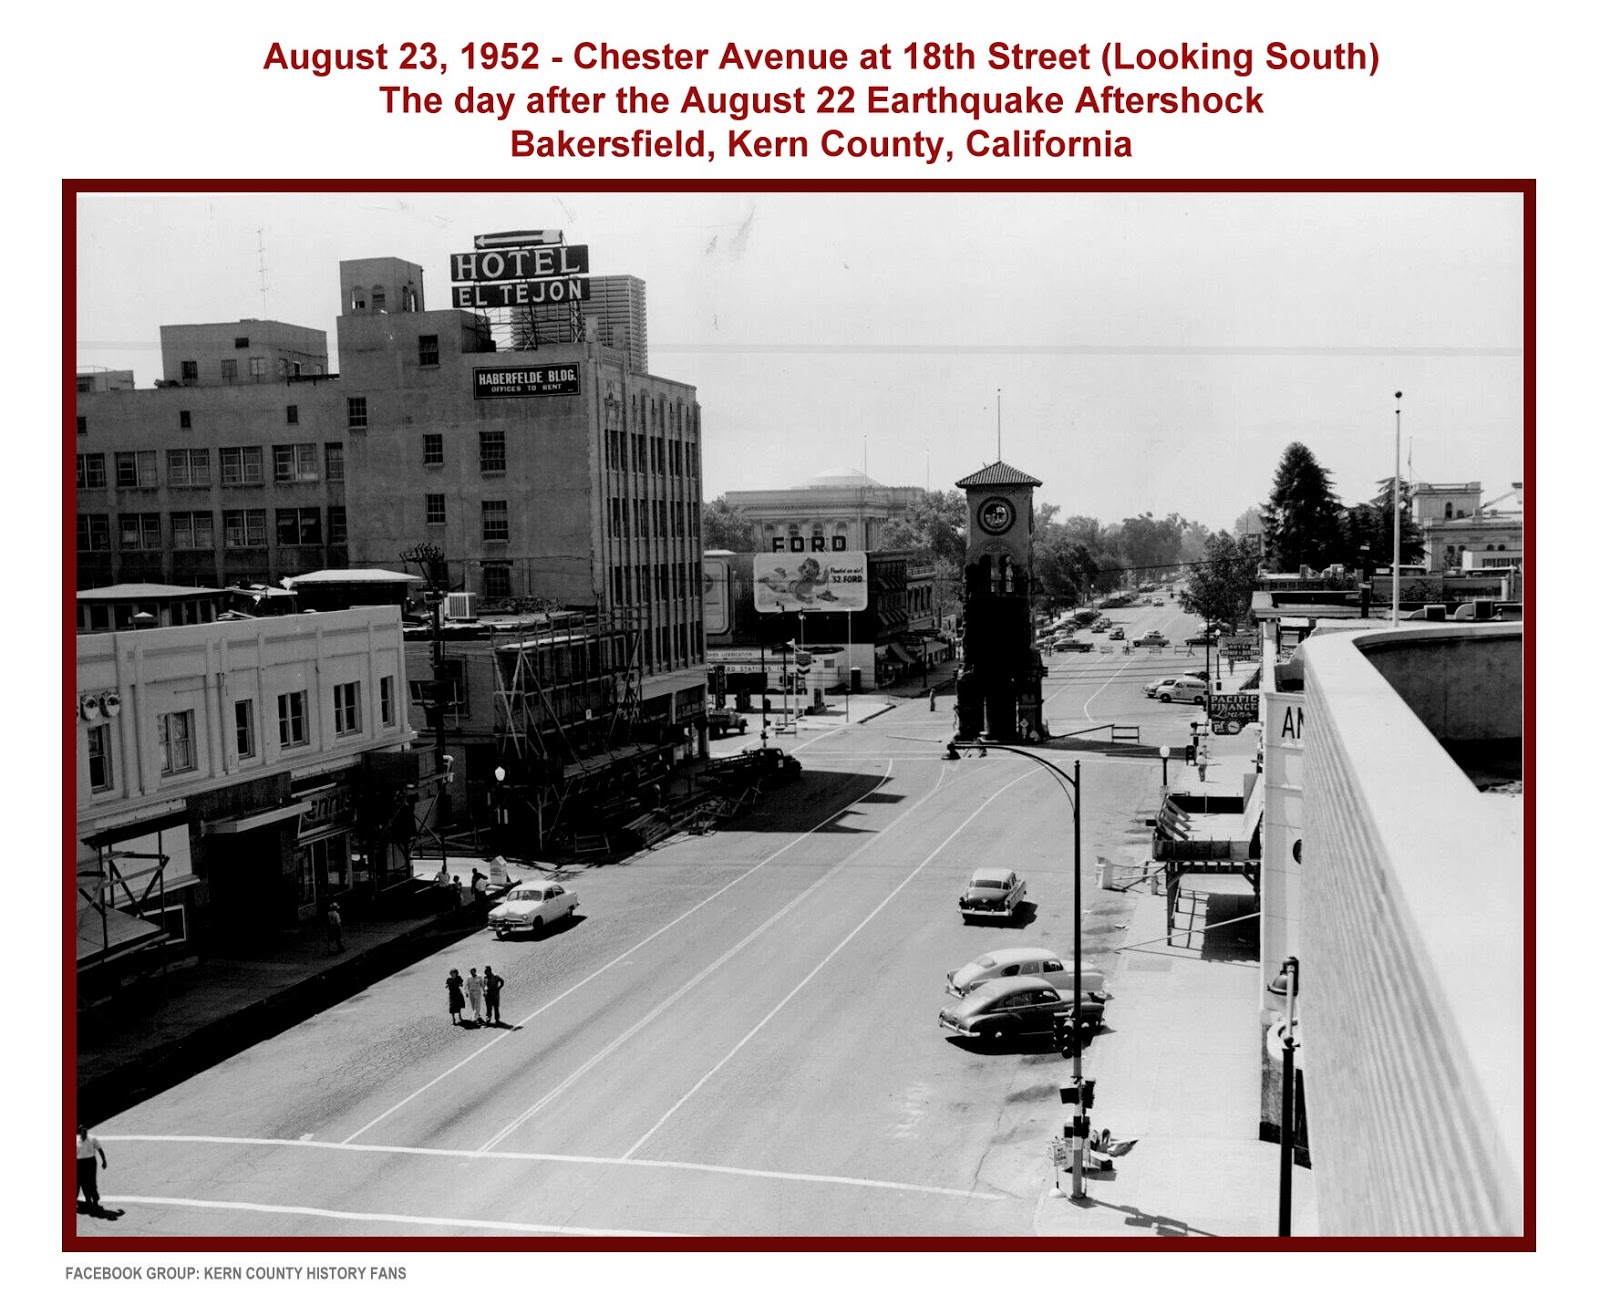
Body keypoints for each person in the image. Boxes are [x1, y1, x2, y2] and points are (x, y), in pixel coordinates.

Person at [76, 1124, 107, 1213]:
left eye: (85, 1130)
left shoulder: (92, 1139)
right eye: (82, 1130)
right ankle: (87, 1199)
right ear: (79, 1131)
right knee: (80, 1182)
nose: (84, 1132)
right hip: (79, 1163)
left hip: (90, 1162)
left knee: (91, 1182)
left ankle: (95, 1200)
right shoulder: (76, 1140)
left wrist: (104, 1160)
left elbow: (100, 1150)